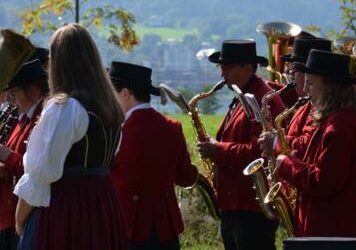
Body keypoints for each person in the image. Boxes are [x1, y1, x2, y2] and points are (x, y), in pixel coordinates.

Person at [13, 23, 129, 250]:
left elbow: (41, 172)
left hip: (65, 210)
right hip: (102, 206)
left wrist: (19, 219)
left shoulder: (65, 107)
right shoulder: (111, 108)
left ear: (58, 62)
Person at [271, 49, 356, 237]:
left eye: (311, 83)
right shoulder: (340, 121)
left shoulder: (339, 127)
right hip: (336, 228)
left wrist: (286, 164)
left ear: (330, 87)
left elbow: (324, 181)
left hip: (336, 231)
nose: (306, 89)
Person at [197, 40, 285, 250]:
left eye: (227, 68)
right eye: (221, 68)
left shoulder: (263, 99)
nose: (222, 75)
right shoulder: (242, 95)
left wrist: (217, 149)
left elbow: (259, 151)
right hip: (236, 203)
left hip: (251, 205)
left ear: (247, 68)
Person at [109, 61, 198, 250]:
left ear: (126, 93)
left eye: (112, 94)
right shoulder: (172, 127)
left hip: (127, 227)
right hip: (165, 229)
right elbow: (186, 177)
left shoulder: (117, 131)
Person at [0, 59, 48, 250]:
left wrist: (4, 154)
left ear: (35, 91)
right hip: (8, 213)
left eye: (16, 92)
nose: (12, 98)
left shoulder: (40, 119)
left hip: (20, 215)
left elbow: (34, 167)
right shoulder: (24, 118)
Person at [279, 38, 332, 156]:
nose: (290, 75)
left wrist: (277, 142)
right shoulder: (306, 102)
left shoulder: (320, 106)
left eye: (294, 70)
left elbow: (305, 145)